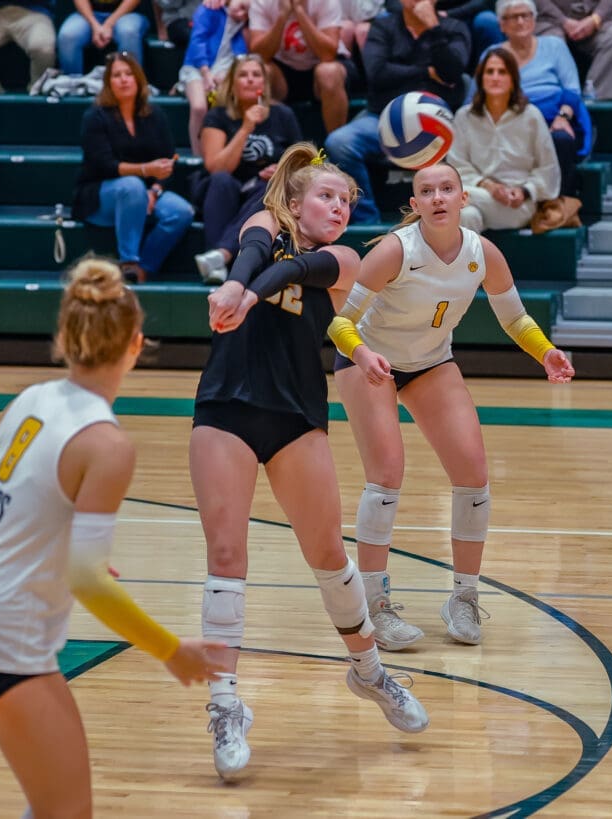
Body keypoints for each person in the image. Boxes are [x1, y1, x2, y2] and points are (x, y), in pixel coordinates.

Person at [0, 256, 227, 818]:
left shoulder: (30, 398)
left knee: (52, 806)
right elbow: (87, 579)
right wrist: (172, 650)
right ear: (136, 344)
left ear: (65, 335)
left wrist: (47, 548)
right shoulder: (107, 445)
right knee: (65, 812)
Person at [192, 142, 429, 781]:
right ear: (294, 202)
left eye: (347, 200)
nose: (339, 207)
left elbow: (297, 274)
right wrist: (238, 282)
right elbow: (253, 250)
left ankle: (371, 674)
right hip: (226, 409)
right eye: (326, 196)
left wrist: (245, 294)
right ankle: (225, 705)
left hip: (298, 417)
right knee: (225, 556)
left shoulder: (346, 259)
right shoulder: (264, 226)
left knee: (327, 555)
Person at [327, 161, 574, 650]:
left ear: (465, 199)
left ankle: (463, 598)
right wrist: (362, 353)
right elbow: (339, 324)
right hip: (368, 361)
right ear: (414, 204)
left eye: (447, 188)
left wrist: (546, 351)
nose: (438, 197)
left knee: (474, 475)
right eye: (427, 191)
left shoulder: (484, 254)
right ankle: (373, 607)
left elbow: (515, 318)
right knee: (386, 476)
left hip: (431, 363)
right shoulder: (396, 251)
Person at [325, 0, 471, 224]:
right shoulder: (383, 27)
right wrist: (425, 71)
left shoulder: (453, 28)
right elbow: (377, 73)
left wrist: (433, 27)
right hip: (384, 119)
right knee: (339, 142)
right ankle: (367, 223)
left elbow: (452, 72)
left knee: (469, 141)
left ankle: (451, 220)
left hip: (438, 122)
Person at [71, 53, 194, 284]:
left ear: (138, 80)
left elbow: (168, 159)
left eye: (129, 74)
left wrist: (155, 190)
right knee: (131, 186)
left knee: (181, 212)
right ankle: (128, 260)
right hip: (100, 195)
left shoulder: (155, 114)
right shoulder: (95, 117)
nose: (124, 80)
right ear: (108, 83)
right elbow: (104, 165)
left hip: (146, 193)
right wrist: (146, 170)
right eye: (117, 75)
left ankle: (142, 269)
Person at [193, 54, 301, 284]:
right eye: (243, 75)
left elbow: (301, 164)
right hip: (224, 190)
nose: (250, 80)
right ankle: (221, 257)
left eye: (256, 75)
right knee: (222, 180)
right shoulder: (217, 116)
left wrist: (281, 170)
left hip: (261, 192)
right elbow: (216, 167)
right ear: (232, 83)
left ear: (264, 83)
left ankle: (220, 257)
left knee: (274, 186)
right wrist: (246, 127)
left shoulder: (283, 115)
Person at [484, 0, 592, 197]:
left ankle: (559, 203)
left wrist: (563, 117)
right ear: (502, 24)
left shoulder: (554, 45)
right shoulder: (492, 55)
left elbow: (572, 89)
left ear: (534, 21)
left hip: (555, 116)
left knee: (561, 139)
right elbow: (476, 98)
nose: (520, 21)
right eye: (513, 17)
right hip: (510, 120)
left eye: (526, 15)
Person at [447, 47, 560, 232]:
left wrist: (524, 191)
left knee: (450, 196)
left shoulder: (531, 116)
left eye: (502, 72)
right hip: (476, 194)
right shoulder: (463, 116)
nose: (495, 77)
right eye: (489, 72)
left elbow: (548, 168)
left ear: (512, 80)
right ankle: (471, 262)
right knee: (467, 216)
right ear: (481, 79)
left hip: (516, 204)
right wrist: (488, 186)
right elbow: (457, 165)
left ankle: (430, 207)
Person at [247, 0, 357, 134]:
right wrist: (282, 16)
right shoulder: (262, 2)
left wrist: (300, 12)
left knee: (328, 72)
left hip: (322, 66)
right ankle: (268, 146)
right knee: (260, 72)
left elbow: (327, 54)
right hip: (283, 70)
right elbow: (260, 55)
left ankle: (336, 145)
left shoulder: (326, 2)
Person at [178, 0, 251, 155]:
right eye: (242, 7)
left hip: (224, 70)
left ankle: (222, 150)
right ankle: (197, 154)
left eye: (247, 13)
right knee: (199, 106)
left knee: (231, 96)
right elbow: (197, 41)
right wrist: (206, 73)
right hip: (196, 67)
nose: (242, 14)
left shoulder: (243, 27)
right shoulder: (209, 9)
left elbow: (242, 58)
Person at [534, 0, 612, 100]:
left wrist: (595, 19)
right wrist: (563, 21)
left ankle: (601, 103)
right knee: (552, 42)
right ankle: (553, 103)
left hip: (595, 16)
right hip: (550, 19)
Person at [58, 0, 150, 74]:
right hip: (89, 13)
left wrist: (109, 24)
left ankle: (133, 83)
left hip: (127, 13)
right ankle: (72, 87)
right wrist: (94, 25)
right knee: (68, 36)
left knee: (127, 32)